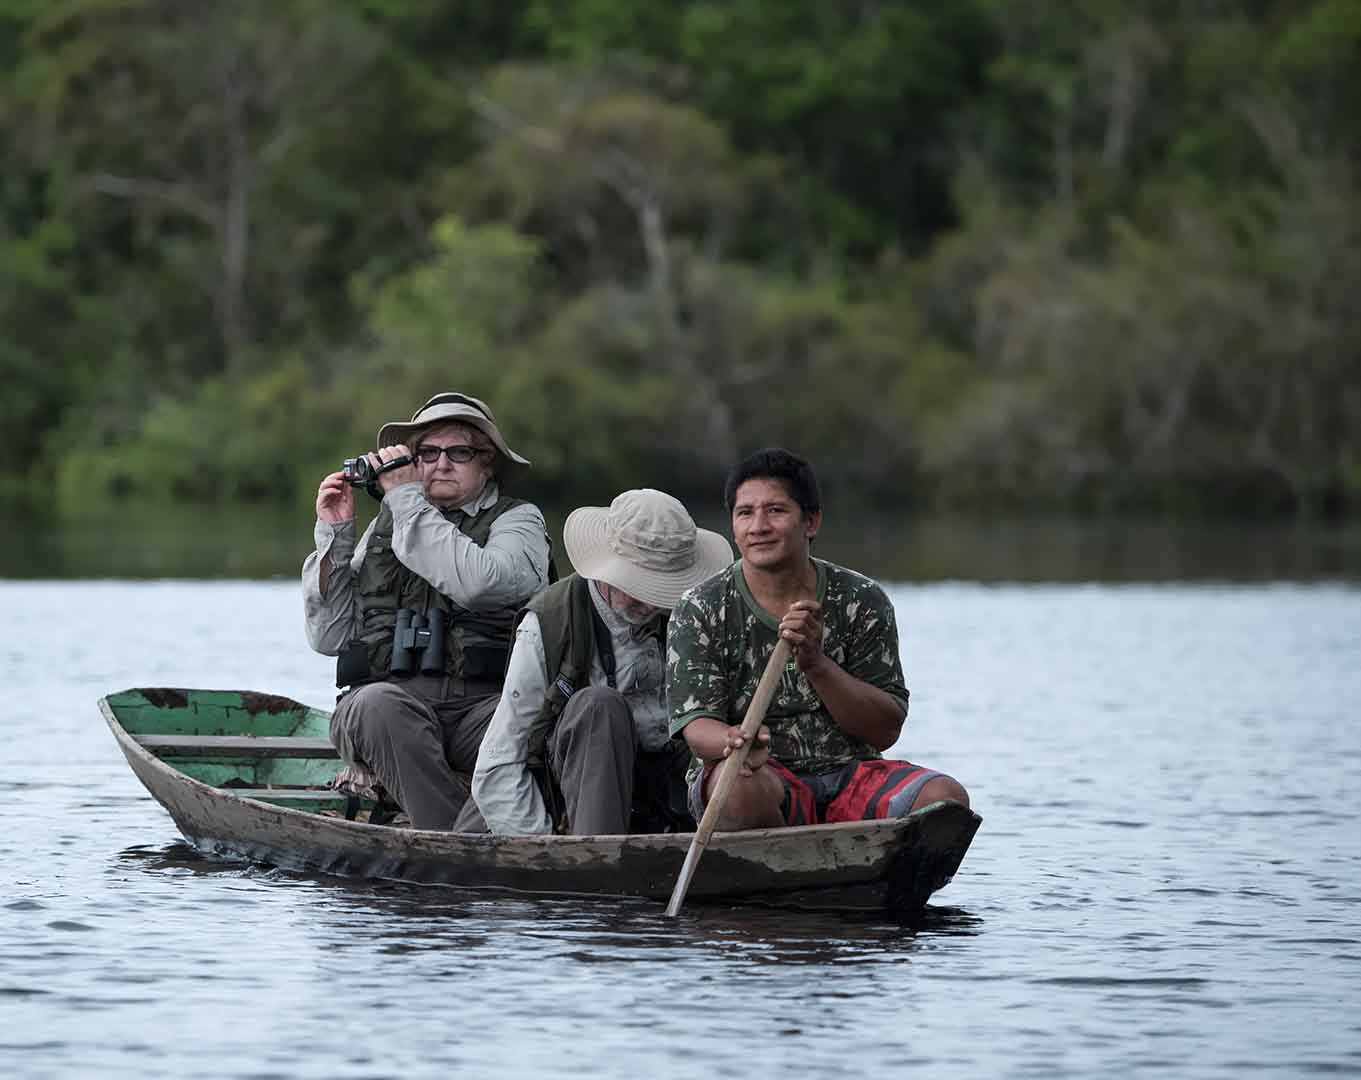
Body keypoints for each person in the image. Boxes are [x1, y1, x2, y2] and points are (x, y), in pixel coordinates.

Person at [666, 448, 969, 830]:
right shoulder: (701, 607)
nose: (758, 526)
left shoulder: (862, 599)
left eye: (775, 511)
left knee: (945, 799)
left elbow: (885, 730)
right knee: (738, 788)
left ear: (811, 522)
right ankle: (782, 880)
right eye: (745, 513)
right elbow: (697, 729)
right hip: (757, 776)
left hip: (850, 776)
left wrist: (816, 663)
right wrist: (738, 742)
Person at [302, 392, 552, 830]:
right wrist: (336, 533)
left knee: (537, 728)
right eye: (427, 453)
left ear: (487, 463)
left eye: (459, 452)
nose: (441, 464)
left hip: (484, 708)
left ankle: (444, 841)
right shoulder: (389, 524)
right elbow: (331, 638)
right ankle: (455, 838)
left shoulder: (519, 521)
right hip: (391, 709)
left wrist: (404, 500)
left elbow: (479, 584)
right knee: (377, 705)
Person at [472, 489, 732, 836]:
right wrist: (545, 848)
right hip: (573, 794)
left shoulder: (693, 614)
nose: (651, 603)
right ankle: (599, 859)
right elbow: (500, 761)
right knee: (599, 707)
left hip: (668, 786)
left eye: (662, 589)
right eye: (639, 585)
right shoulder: (547, 624)